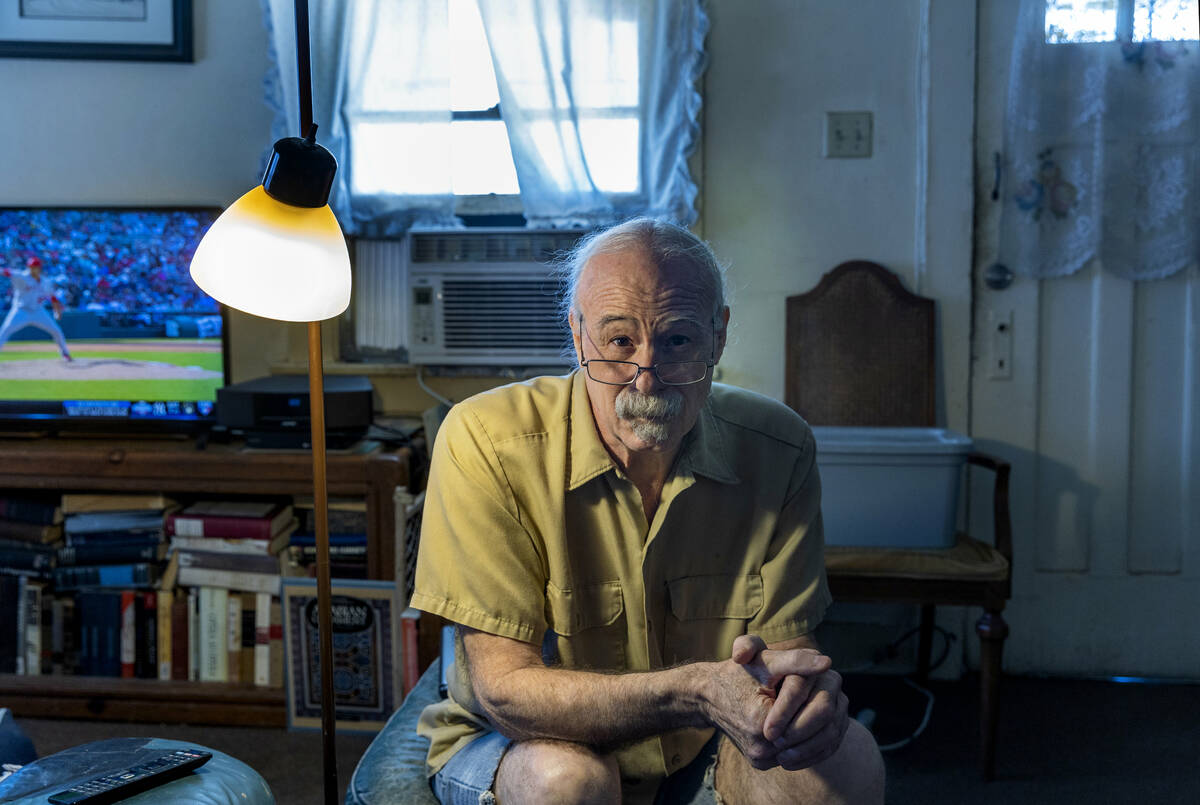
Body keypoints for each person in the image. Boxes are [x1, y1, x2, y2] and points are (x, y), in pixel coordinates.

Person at [411, 218, 884, 804]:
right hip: (522, 742)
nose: (648, 378)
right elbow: (504, 692)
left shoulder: (779, 447)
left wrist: (801, 703)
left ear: (719, 336)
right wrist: (695, 690)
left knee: (850, 760)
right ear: (578, 337)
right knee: (567, 784)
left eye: (678, 341)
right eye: (618, 342)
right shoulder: (485, 439)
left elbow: (787, 657)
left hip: (709, 743)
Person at [0, 257, 72, 361]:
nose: (32, 269)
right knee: (5, 330)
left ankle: (65, 352)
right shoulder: (21, 276)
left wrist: (57, 311)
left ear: (39, 268)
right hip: (21, 310)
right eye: (31, 267)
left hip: (38, 311)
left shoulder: (45, 282)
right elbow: (6, 272)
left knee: (56, 331)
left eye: (35, 267)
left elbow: (53, 298)